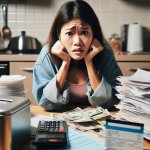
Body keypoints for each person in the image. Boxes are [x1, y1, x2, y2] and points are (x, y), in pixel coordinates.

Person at [32, 0, 122, 111]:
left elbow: (115, 100)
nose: (77, 42)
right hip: (60, 120)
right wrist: (65, 63)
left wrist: (89, 63)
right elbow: (45, 103)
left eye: (84, 33)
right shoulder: (47, 54)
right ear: (58, 34)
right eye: (69, 33)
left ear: (93, 33)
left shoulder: (105, 53)